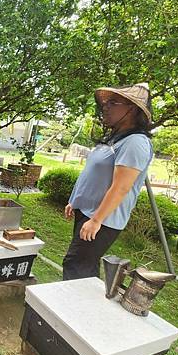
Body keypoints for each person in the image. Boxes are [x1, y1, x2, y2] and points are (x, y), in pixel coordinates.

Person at [63, 83, 153, 280]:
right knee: (83, 265)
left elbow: (121, 187)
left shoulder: (135, 143)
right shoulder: (117, 139)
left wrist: (96, 220)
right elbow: (94, 173)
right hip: (88, 212)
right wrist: (75, 201)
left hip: (103, 219)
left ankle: (73, 308)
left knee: (77, 265)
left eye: (113, 102)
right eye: (105, 102)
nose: (105, 106)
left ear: (132, 109)